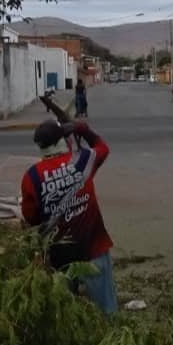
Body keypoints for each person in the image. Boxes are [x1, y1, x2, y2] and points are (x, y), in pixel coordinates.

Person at [21, 118, 118, 314]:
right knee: (106, 310)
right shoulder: (81, 160)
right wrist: (86, 131)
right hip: (93, 247)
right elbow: (103, 148)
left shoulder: (31, 176)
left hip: (59, 255)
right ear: (61, 142)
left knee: (67, 313)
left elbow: (30, 217)